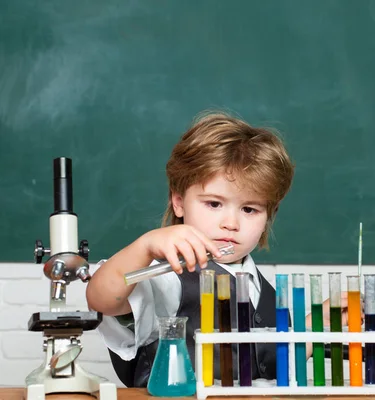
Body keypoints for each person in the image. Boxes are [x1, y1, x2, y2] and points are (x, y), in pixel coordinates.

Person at [86, 111, 300, 387]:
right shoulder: (168, 276)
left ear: (268, 216)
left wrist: (318, 321)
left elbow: (266, 362)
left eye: (249, 209)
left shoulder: (263, 289)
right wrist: (145, 246)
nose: (231, 223)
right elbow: (102, 299)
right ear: (179, 202)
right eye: (213, 204)